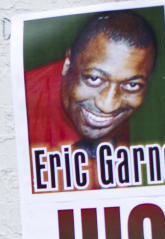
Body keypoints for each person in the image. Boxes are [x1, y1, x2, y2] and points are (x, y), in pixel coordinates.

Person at [25, 10, 157, 159]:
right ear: (67, 64)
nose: (108, 106)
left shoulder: (106, 110)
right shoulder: (23, 103)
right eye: (94, 78)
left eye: (132, 85)